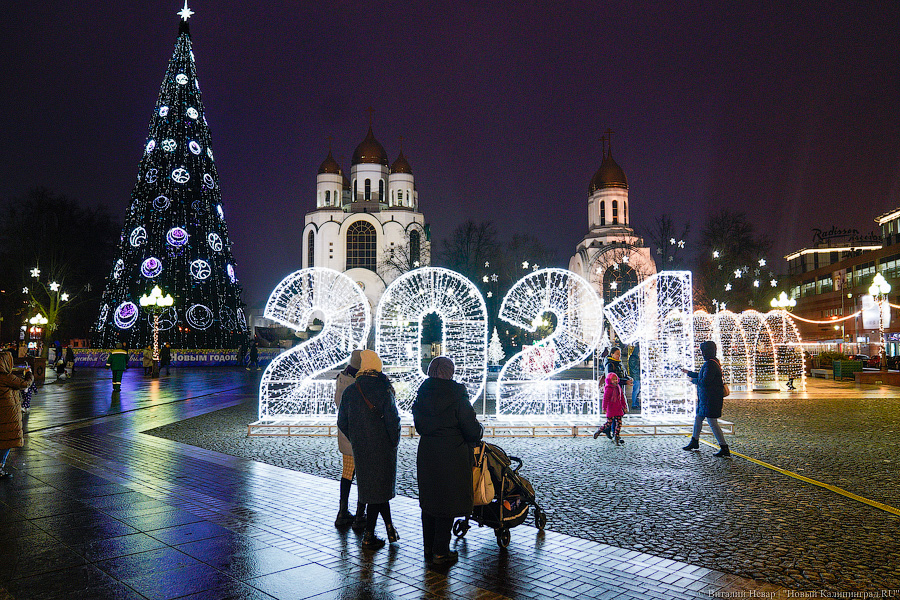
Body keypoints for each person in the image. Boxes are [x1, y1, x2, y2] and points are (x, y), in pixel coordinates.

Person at [412, 356, 484, 565]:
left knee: (430, 502)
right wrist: (479, 430)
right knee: (446, 502)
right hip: (452, 455)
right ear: (450, 372)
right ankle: (441, 552)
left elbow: (420, 425)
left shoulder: (422, 393)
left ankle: (429, 548)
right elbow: (471, 431)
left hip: (427, 454)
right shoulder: (456, 394)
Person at [337, 350, 401, 550]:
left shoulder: (351, 390)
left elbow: (342, 422)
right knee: (378, 491)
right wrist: (393, 441)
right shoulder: (384, 389)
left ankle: (387, 529)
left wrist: (356, 439)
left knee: (372, 490)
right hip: (383, 449)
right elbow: (393, 421)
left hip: (361, 449)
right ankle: (369, 534)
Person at [681, 340, 731, 457]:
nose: (702, 354)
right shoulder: (712, 362)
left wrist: (693, 381)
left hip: (711, 399)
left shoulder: (710, 364)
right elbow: (703, 375)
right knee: (698, 418)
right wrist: (689, 373)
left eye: (703, 351)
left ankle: (724, 447)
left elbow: (705, 381)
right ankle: (694, 441)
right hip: (706, 399)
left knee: (712, 422)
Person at [333, 350, 365, 529]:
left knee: (347, 473)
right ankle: (361, 515)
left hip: (344, 435)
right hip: (359, 437)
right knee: (364, 475)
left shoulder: (341, 379)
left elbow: (337, 403)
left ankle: (342, 511)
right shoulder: (358, 384)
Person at [0, 352, 34, 478]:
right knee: (7, 442)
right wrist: (29, 374)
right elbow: (24, 384)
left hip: (3, 415)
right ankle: (0, 466)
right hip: (7, 415)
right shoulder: (5, 377)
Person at [594, 372, 627, 444]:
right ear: (609, 380)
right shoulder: (608, 388)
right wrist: (604, 408)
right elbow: (605, 399)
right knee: (609, 423)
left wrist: (624, 406)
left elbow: (622, 398)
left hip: (618, 408)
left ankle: (616, 436)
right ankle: (599, 430)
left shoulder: (618, 387)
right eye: (613, 379)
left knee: (619, 423)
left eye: (616, 379)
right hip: (611, 409)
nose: (615, 381)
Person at [628, 345, 641, 410]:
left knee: (638, 390)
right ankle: (634, 404)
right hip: (636, 376)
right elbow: (634, 367)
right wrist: (640, 367)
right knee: (636, 390)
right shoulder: (633, 358)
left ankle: (636, 403)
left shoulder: (635, 357)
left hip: (637, 376)